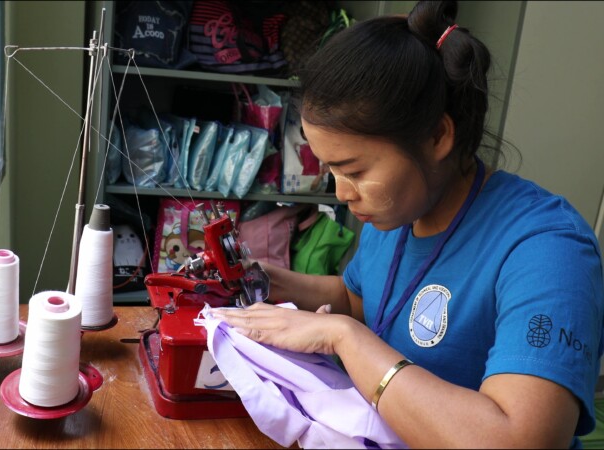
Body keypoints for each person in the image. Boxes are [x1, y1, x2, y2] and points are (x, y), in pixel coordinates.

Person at [213, 1, 604, 448]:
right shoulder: (399, 209)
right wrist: (270, 281)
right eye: (331, 171)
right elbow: (362, 301)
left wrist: (343, 338)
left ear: (438, 136)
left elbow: (516, 439)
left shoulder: (548, 250)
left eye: (355, 171)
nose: (341, 193)